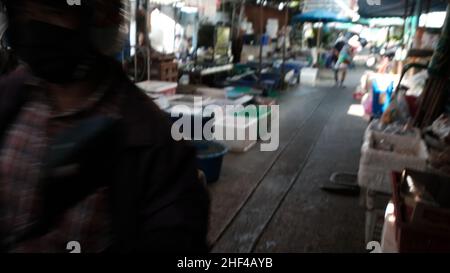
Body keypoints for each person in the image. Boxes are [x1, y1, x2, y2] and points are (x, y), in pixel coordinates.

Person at [0, 0, 209, 253]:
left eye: (53, 10)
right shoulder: (9, 97)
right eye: (24, 11)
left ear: (102, 18)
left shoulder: (155, 143)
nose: (34, 26)